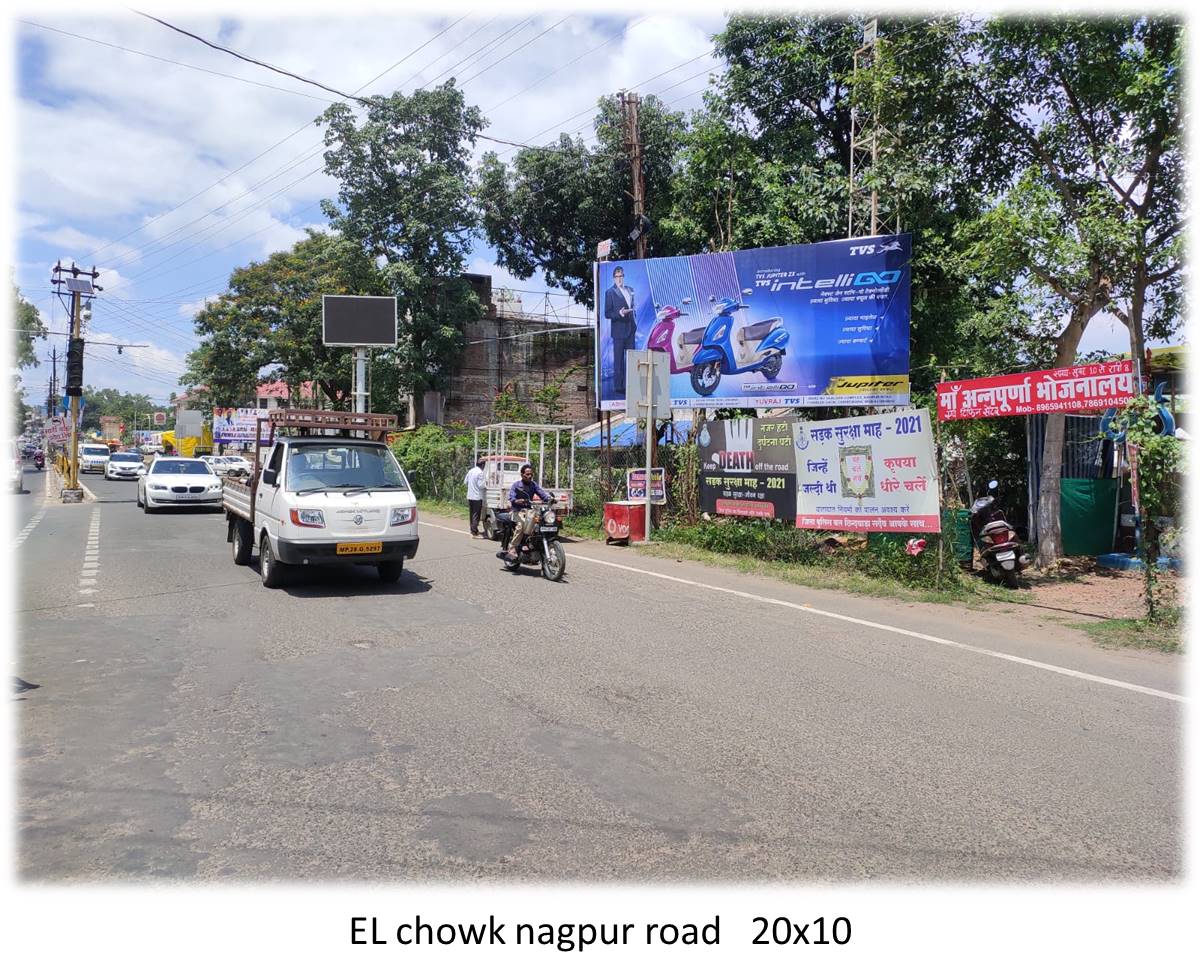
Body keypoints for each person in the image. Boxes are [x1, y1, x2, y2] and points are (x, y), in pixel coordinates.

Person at [502, 462, 552, 560]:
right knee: (520, 525)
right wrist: (517, 500)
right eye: (527, 474)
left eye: (531, 474)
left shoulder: (533, 485)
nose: (529, 476)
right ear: (522, 475)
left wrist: (549, 499)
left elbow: (542, 494)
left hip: (529, 510)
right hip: (517, 510)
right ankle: (512, 547)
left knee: (540, 522)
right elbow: (511, 497)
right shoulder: (516, 485)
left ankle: (535, 543)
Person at [603, 266, 638, 396]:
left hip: (630, 329)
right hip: (618, 331)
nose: (619, 278)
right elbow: (607, 313)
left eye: (621, 276)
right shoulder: (610, 292)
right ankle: (619, 387)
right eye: (617, 276)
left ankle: (631, 385)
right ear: (614, 278)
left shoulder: (630, 290)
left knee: (631, 360)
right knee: (619, 361)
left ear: (623, 276)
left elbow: (633, 306)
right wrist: (619, 313)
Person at [464, 456, 487, 536]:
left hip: (470, 496)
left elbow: (465, 482)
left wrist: (471, 486)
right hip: (477, 496)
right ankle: (474, 530)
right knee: (476, 514)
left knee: (472, 513)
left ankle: (473, 529)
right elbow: (481, 485)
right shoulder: (480, 473)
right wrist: (485, 485)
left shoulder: (471, 471)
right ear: (483, 465)